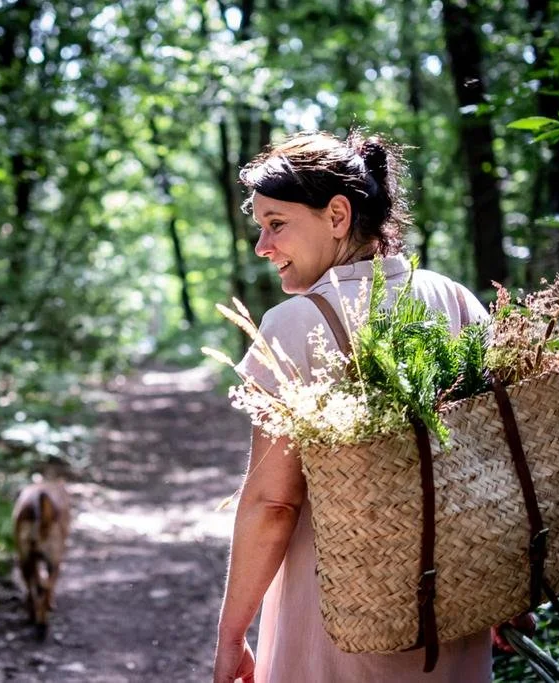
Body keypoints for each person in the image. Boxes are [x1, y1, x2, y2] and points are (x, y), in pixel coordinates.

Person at [212, 129, 513, 683]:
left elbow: (273, 504)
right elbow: (495, 463)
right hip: (451, 610)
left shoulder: (292, 326)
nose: (262, 246)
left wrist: (233, 634)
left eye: (276, 223)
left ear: (337, 215)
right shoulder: (455, 299)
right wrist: (508, 583)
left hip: (338, 625)